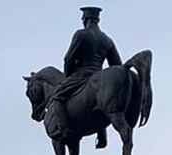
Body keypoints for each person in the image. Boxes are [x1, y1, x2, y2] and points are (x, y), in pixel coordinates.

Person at [47, 7, 122, 147]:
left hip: (80, 75)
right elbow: (117, 65)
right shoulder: (107, 40)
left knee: (56, 97)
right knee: (103, 102)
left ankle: (63, 131)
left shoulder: (81, 35)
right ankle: (102, 136)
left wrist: (67, 77)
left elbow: (68, 59)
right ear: (97, 20)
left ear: (85, 19)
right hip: (98, 75)